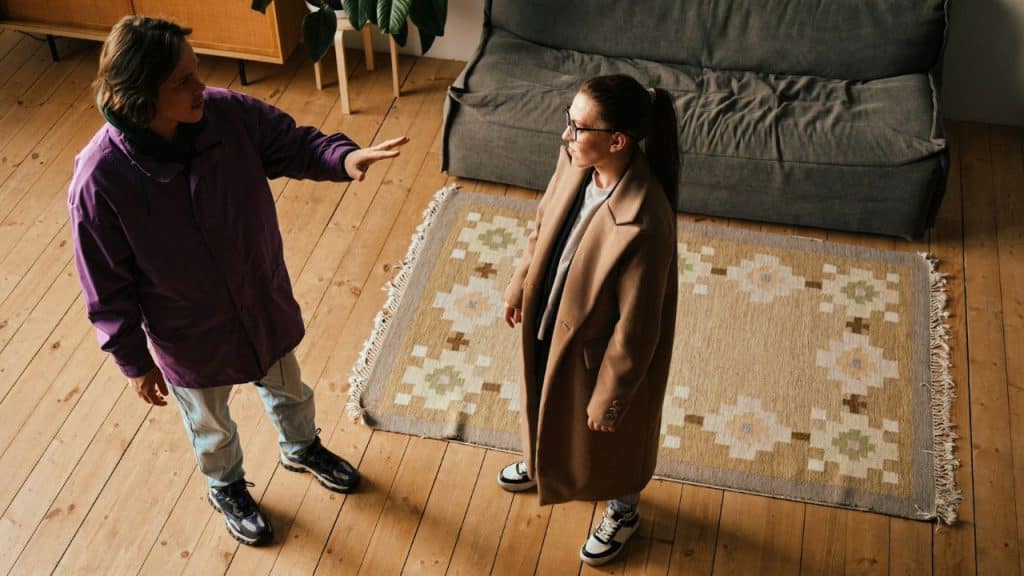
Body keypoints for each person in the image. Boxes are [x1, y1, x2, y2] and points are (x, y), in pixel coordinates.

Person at [69, 15, 408, 546]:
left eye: (195, 72)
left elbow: (292, 143)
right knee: (211, 423)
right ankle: (225, 485)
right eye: (182, 81)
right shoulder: (99, 178)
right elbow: (105, 288)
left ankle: (301, 448)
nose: (200, 86)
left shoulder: (226, 114)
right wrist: (133, 362)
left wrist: (344, 158)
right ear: (140, 93)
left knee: (289, 388)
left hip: (259, 296)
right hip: (187, 331)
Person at [500, 74, 679, 566]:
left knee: (610, 438)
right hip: (554, 312)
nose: (566, 135)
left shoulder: (645, 220)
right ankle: (542, 461)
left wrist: (612, 396)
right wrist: (521, 282)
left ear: (617, 140)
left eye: (578, 127)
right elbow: (543, 223)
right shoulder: (577, 161)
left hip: (597, 347)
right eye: (568, 121)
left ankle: (624, 510)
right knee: (544, 394)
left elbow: (638, 328)